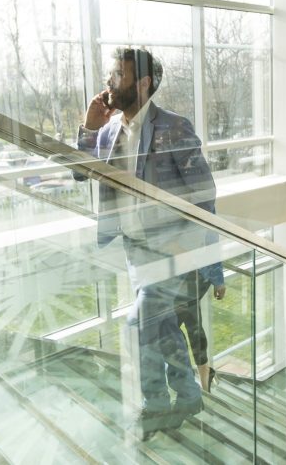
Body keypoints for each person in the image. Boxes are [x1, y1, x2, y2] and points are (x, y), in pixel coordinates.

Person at [76, 47, 224, 440]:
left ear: (142, 84)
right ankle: (190, 395)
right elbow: (79, 174)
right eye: (111, 75)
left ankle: (156, 404)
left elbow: (204, 192)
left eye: (118, 76)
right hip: (135, 251)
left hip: (173, 253)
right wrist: (89, 129)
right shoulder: (108, 130)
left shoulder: (174, 127)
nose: (110, 83)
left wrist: (188, 247)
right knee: (160, 329)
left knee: (136, 323)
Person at [173, 265, 225, 392]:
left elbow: (211, 247)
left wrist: (219, 281)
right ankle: (204, 378)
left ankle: (189, 381)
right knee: (192, 322)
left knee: (171, 327)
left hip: (195, 275)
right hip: (181, 275)